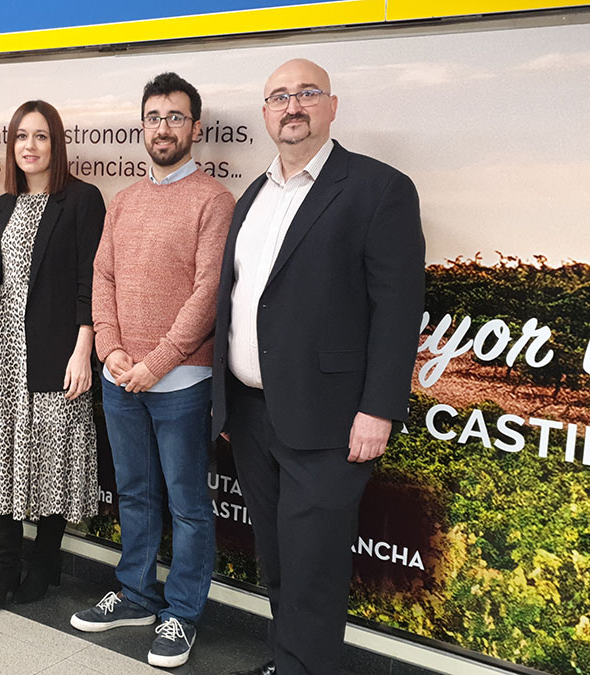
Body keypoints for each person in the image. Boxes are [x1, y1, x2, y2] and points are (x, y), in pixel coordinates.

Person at [215, 59, 425, 675]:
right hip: (253, 415)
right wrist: (227, 401)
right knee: (279, 559)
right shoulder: (254, 195)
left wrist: (379, 410)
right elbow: (239, 299)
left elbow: (397, 311)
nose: (292, 106)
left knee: (314, 567)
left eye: (306, 93)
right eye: (278, 96)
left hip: (331, 421)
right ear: (264, 113)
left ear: (332, 106)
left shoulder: (379, 189)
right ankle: (290, 662)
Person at [71, 72, 235, 669]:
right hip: (121, 380)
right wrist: (111, 353)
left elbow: (207, 292)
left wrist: (155, 364)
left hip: (181, 384)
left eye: (174, 117)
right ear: (143, 127)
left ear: (195, 127)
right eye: (153, 117)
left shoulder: (214, 201)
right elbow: (104, 277)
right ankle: (137, 594)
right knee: (136, 495)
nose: (162, 128)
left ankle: (182, 614)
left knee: (189, 505)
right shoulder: (126, 200)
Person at [0, 100, 105, 616]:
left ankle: (43, 568)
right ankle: (2, 573)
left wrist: (83, 350)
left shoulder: (82, 201)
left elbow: (92, 283)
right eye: (21, 136)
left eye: (41, 136)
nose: (30, 146)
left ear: (57, 143)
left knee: (52, 468)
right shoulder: (2, 208)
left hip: (55, 358)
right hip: (4, 362)